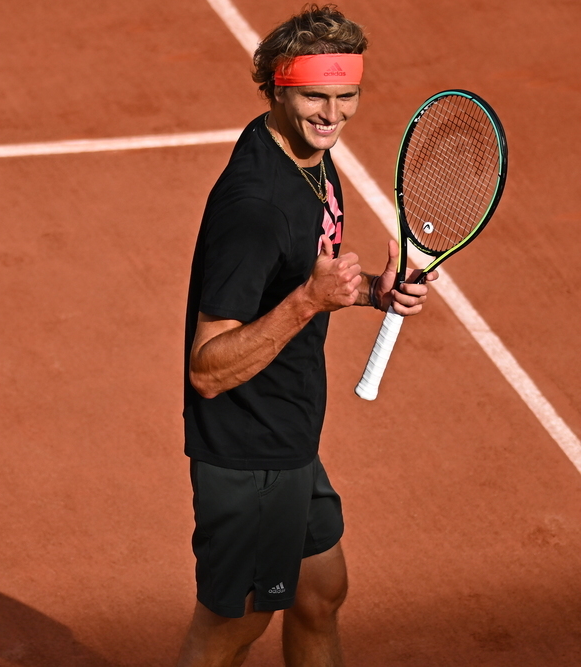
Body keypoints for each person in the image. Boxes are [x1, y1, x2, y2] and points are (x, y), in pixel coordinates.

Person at [176, 5, 436, 666]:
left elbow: (305, 276)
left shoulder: (304, 157)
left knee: (320, 591)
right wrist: (307, 302)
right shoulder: (257, 208)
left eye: (347, 95)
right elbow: (206, 367)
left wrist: (376, 290)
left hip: (286, 429)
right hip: (249, 448)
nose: (333, 113)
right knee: (232, 626)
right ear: (276, 88)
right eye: (315, 95)